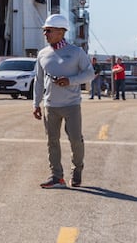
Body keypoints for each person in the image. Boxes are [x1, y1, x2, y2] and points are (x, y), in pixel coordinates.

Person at [32, 13, 94, 189]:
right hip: (50, 106)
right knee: (52, 141)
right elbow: (38, 80)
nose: (45, 34)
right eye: (44, 31)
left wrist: (70, 80)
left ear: (61, 32)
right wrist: (36, 104)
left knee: (75, 139)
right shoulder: (42, 54)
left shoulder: (76, 52)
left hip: (71, 105)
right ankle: (56, 176)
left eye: (48, 31)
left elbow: (89, 73)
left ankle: (77, 170)